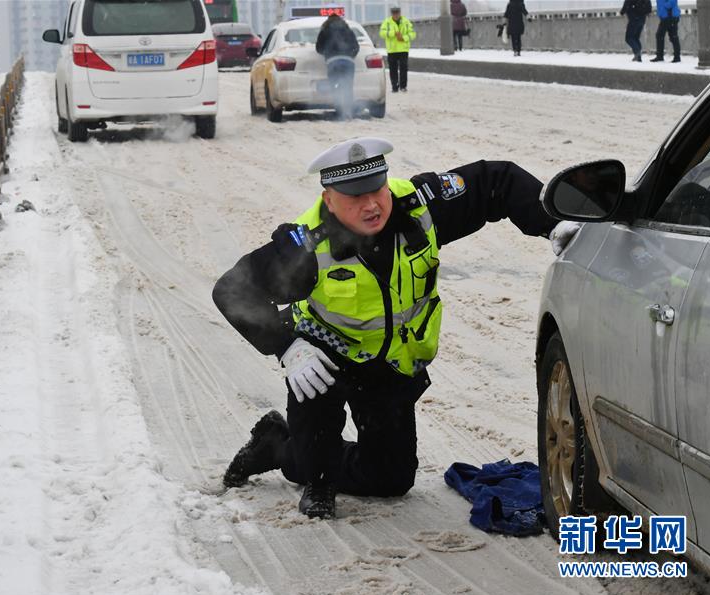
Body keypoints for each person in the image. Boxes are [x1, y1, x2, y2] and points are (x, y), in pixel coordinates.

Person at [214, 137, 579, 518]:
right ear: (329, 199)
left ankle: (279, 446)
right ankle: (308, 468)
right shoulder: (305, 245)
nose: (371, 204)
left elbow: (497, 180)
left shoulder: (419, 206)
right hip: (323, 358)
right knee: (313, 446)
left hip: (387, 365)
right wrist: (288, 348)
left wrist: (553, 225)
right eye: (355, 197)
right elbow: (232, 290)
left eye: (377, 189)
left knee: (390, 479)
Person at [316, 15, 360, 120]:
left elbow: (318, 48)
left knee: (335, 87)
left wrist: (327, 54)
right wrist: (350, 56)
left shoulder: (325, 31)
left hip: (333, 62)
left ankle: (340, 112)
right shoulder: (348, 30)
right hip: (348, 62)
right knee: (348, 87)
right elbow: (356, 47)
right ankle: (349, 112)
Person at [379, 6, 414, 93]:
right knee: (393, 69)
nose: (396, 15)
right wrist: (393, 33)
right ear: (392, 14)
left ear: (399, 13)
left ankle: (403, 86)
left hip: (403, 49)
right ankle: (394, 86)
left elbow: (412, 34)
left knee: (403, 68)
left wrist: (404, 38)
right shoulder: (387, 22)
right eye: (394, 13)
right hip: (392, 49)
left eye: (397, 13)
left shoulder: (406, 22)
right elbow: (382, 33)